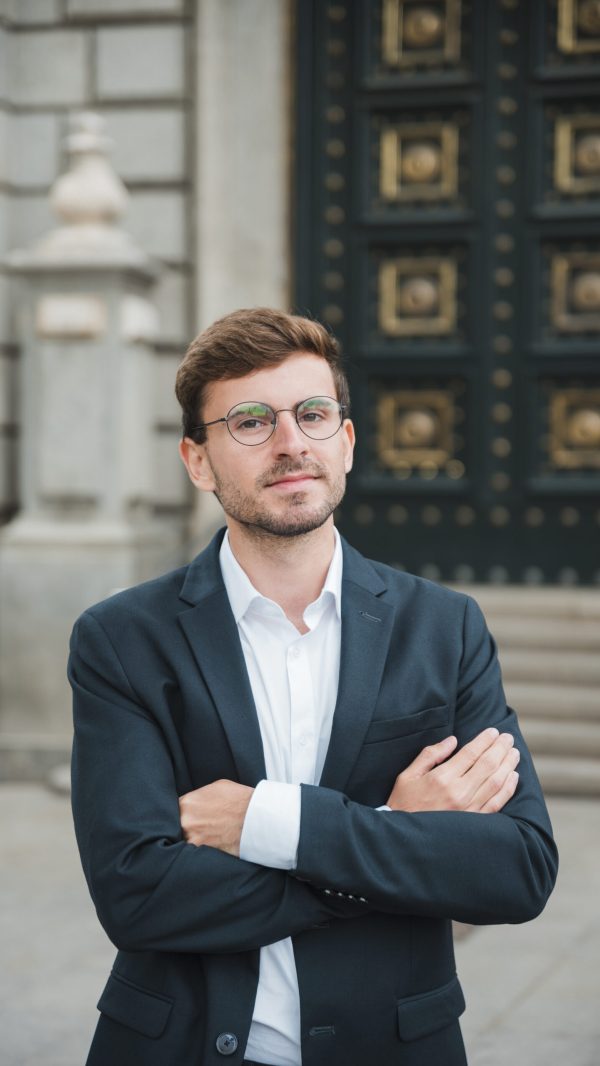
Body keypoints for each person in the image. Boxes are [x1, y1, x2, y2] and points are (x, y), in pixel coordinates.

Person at [69, 307, 558, 1066]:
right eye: (251, 421)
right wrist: (393, 827)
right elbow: (138, 896)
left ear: (348, 441)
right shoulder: (123, 639)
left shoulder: (444, 628)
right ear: (197, 461)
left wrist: (271, 824)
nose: (291, 441)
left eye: (313, 414)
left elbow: (516, 870)